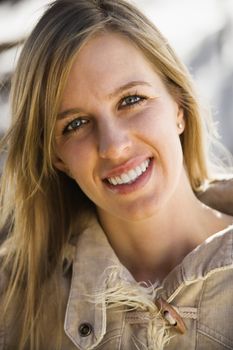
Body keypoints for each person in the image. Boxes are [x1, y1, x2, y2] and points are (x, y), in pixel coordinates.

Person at [0, 0, 233, 349]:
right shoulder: (15, 305)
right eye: (75, 124)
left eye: (131, 100)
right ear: (57, 158)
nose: (113, 146)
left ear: (178, 106)